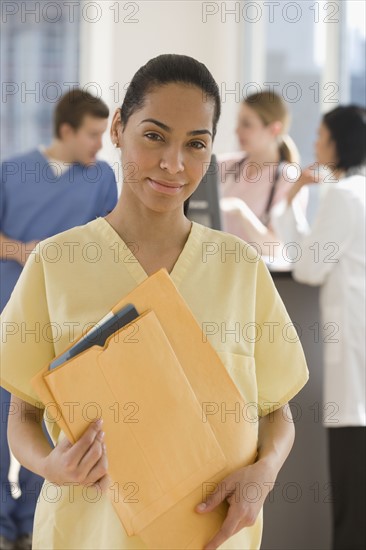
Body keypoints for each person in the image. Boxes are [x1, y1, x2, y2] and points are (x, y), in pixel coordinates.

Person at [0, 55, 308, 550]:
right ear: (119, 128)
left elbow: (277, 412)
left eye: (196, 144)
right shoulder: (56, 263)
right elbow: (22, 416)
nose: (174, 164)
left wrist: (266, 471)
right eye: (154, 136)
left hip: (212, 534)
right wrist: (47, 465)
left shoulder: (239, 267)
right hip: (90, 534)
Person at [0, 89, 118, 550]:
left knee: (53, 420)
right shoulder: (12, 172)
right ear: (65, 131)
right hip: (11, 307)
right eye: (92, 134)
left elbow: (111, 238)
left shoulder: (101, 178)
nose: (99, 144)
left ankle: (33, 522)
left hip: (69, 319)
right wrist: (24, 251)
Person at [271, 105, 366, 550]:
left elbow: (308, 269)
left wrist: (295, 197)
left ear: (339, 143)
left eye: (322, 136)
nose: (314, 144)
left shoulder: (346, 195)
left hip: (354, 368)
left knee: (352, 497)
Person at [219, 91, 307, 255]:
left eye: (247, 124)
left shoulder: (288, 179)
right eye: (238, 122)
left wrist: (240, 210)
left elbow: (277, 247)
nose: (237, 130)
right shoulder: (222, 165)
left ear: (274, 129)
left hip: (256, 275)